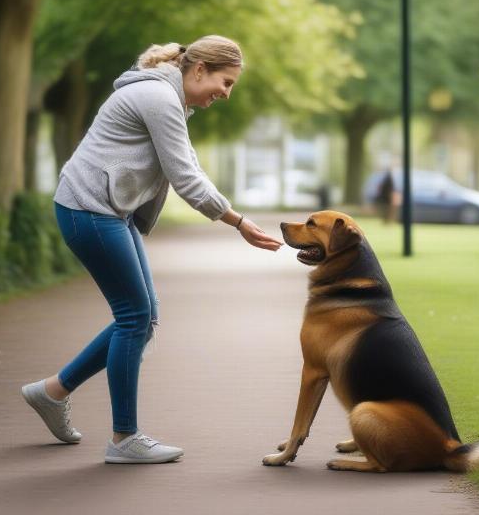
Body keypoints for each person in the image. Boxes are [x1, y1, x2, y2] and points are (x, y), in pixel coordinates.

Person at [21, 35, 283, 464]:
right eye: (225, 81)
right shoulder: (158, 97)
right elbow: (185, 177)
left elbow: (187, 165)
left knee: (143, 317)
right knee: (135, 317)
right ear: (198, 69)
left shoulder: (169, 99)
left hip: (107, 211)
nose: (226, 93)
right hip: (88, 209)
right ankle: (125, 438)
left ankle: (52, 392)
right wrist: (238, 222)